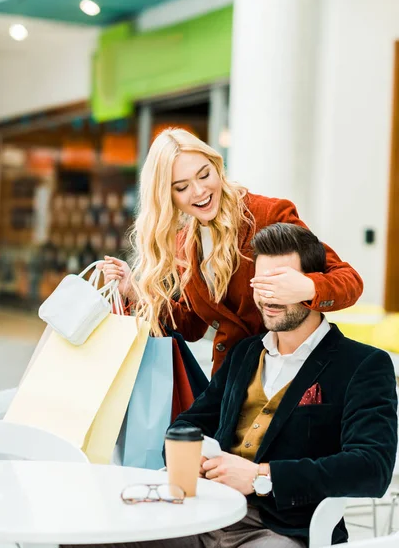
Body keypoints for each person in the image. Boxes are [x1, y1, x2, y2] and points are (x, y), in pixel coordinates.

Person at [125, 223, 397, 548]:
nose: (267, 295)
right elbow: (189, 423)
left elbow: (371, 468)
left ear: (309, 286)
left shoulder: (363, 365)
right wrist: (189, 457)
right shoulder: (245, 353)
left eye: (279, 284)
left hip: (279, 531)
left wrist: (260, 478)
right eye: (260, 282)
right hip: (203, 513)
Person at [100, 128, 363, 374]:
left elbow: (349, 281)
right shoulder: (184, 241)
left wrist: (306, 288)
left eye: (204, 175)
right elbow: (191, 326)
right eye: (182, 187)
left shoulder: (267, 215)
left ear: (217, 167)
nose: (200, 191)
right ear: (167, 196)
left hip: (288, 373)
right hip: (229, 383)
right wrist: (133, 290)